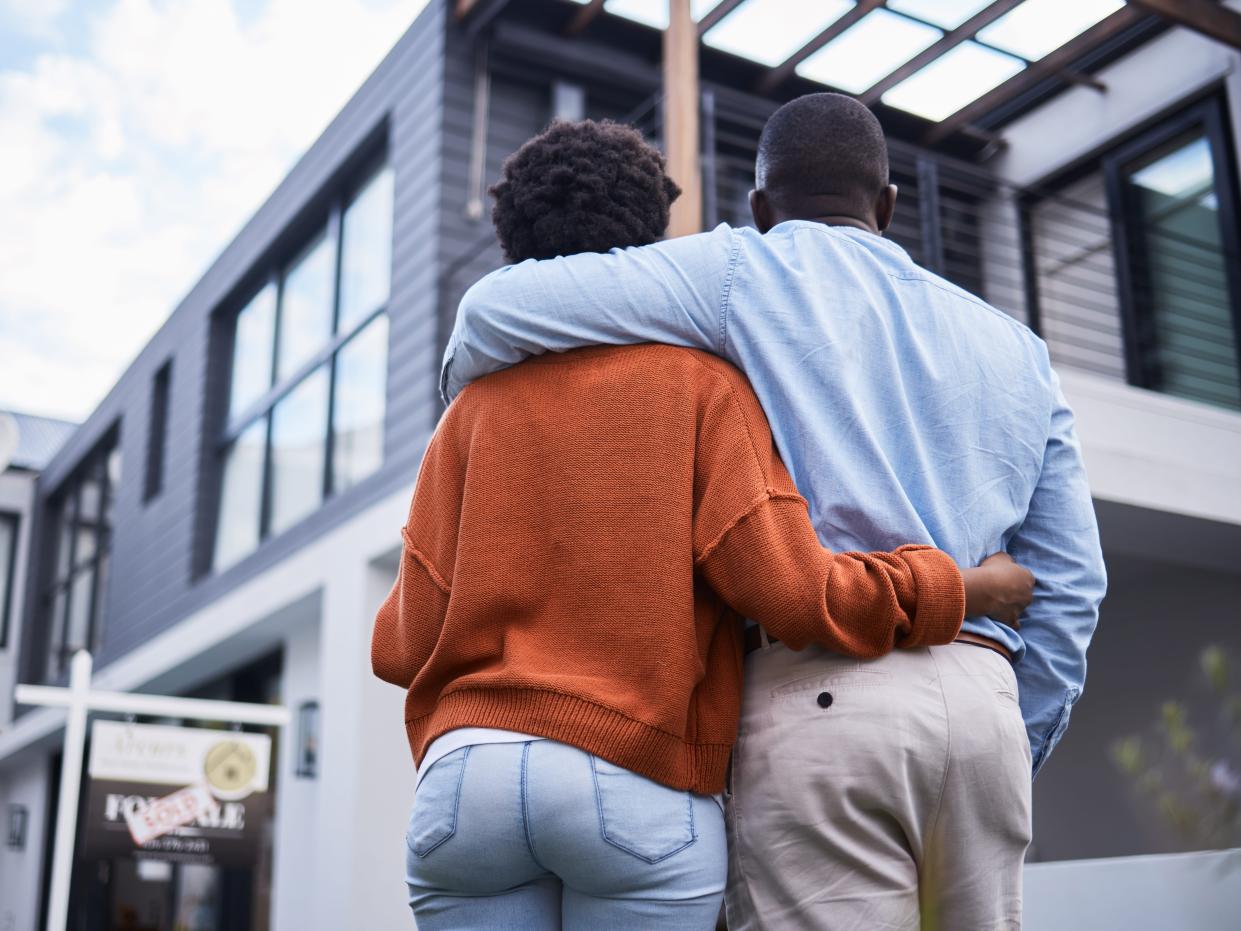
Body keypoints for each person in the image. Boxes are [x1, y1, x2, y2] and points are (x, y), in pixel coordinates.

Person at [441, 95, 1108, 930]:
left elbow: (493, 310)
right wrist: (1013, 726)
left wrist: (465, 403)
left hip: (817, 691)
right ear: (888, 203)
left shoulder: (735, 271)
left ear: (760, 206)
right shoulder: (1016, 347)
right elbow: (1071, 580)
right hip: (984, 705)